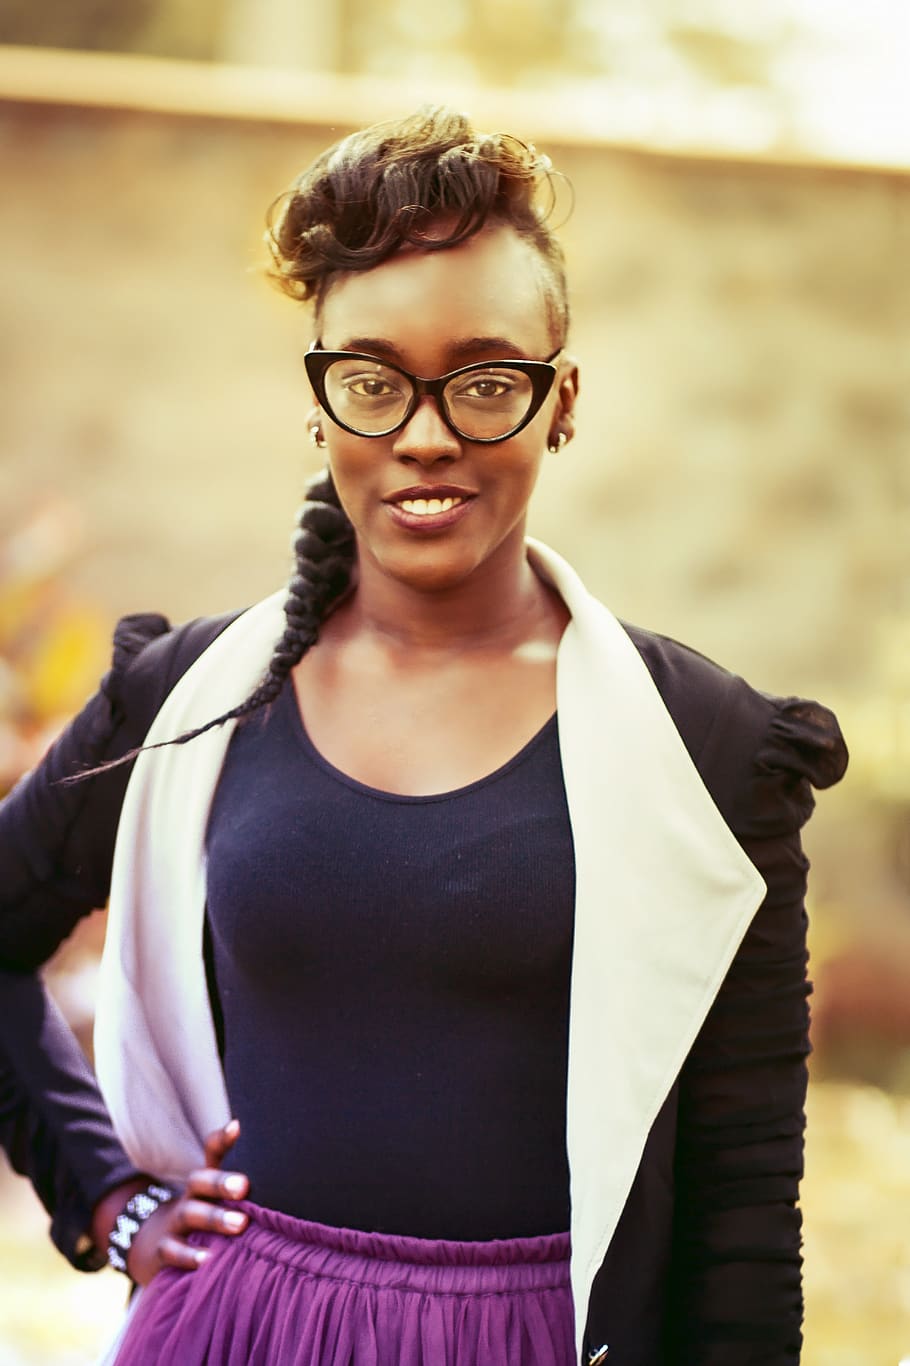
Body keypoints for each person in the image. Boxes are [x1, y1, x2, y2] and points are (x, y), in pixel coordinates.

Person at [0, 106, 848, 1366]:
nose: (425, 431)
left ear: (560, 402)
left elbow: (738, 1196)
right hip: (232, 1329)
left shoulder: (709, 752)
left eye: (487, 380)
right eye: (372, 378)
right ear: (319, 400)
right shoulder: (188, 702)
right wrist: (111, 1203)